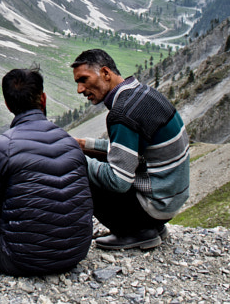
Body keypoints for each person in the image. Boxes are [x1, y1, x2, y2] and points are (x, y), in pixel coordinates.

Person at [0, 67, 93, 276]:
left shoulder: (2, 146)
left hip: (22, 259)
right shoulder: (70, 142)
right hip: (76, 252)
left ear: (7, 105)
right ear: (43, 99)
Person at [71, 48, 190, 250]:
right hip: (168, 202)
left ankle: (136, 231)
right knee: (90, 160)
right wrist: (83, 145)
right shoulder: (141, 93)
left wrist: (73, 156)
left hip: (153, 208)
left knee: (77, 167)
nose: (80, 89)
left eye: (84, 79)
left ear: (105, 73)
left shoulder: (122, 113)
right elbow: (126, 151)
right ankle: (151, 228)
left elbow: (118, 181)